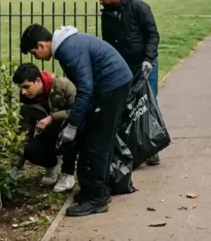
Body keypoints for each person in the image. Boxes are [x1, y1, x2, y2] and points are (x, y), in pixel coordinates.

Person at [20, 24, 133, 217]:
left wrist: (72, 124)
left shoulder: (68, 50)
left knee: (98, 144)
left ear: (41, 45)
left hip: (112, 87)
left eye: (33, 52)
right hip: (113, 85)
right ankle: (98, 191)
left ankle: (97, 199)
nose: (35, 58)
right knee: (95, 140)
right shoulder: (69, 45)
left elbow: (85, 89)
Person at [97, 0, 162, 166]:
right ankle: (135, 149)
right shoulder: (107, 14)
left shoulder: (139, 7)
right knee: (128, 107)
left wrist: (148, 59)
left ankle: (152, 149)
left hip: (144, 64)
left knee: (148, 104)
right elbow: (108, 43)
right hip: (124, 67)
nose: (101, 1)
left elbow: (152, 34)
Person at [10, 63, 77, 193]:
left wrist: (52, 117)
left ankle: (68, 174)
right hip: (50, 134)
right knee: (30, 149)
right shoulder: (26, 99)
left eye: (26, 87)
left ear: (38, 81)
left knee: (69, 132)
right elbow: (23, 132)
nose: (23, 91)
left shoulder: (63, 86)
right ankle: (52, 165)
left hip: (72, 128)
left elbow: (78, 111)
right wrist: (15, 168)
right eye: (21, 88)